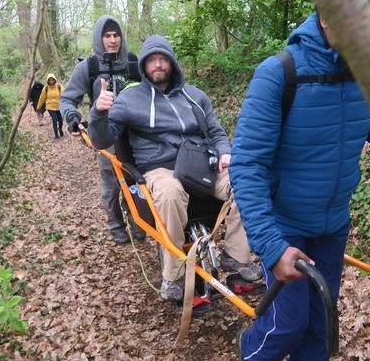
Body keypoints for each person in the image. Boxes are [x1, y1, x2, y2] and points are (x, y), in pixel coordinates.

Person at [229, 0, 370, 361]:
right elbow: (247, 166)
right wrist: (272, 246)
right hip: (285, 225)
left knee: (320, 327)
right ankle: (247, 360)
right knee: (287, 325)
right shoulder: (278, 74)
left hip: (333, 226)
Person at [88, 34, 261, 302]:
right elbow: (101, 140)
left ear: (172, 63)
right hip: (160, 168)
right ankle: (175, 276)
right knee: (170, 192)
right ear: (144, 66)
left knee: (246, 181)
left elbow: (216, 132)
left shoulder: (195, 96)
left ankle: (236, 256)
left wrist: (226, 153)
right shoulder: (129, 99)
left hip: (201, 163)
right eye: (152, 61)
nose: (158, 65)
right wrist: (99, 111)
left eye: (163, 59)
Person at [60, 15, 145, 245]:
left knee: (136, 180)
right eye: (107, 35)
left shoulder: (134, 63)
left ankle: (138, 220)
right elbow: (67, 99)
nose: (113, 40)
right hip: (105, 132)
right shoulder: (89, 67)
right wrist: (72, 118)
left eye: (116, 35)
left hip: (135, 133)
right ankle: (116, 224)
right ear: (100, 38)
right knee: (111, 182)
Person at [37, 74, 64, 140]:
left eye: (52, 80)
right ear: (47, 81)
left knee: (60, 120)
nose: (51, 81)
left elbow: (65, 95)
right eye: (50, 80)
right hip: (50, 107)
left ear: (55, 80)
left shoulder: (59, 86)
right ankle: (56, 135)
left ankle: (60, 129)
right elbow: (42, 98)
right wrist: (38, 107)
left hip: (58, 106)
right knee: (54, 120)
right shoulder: (46, 88)